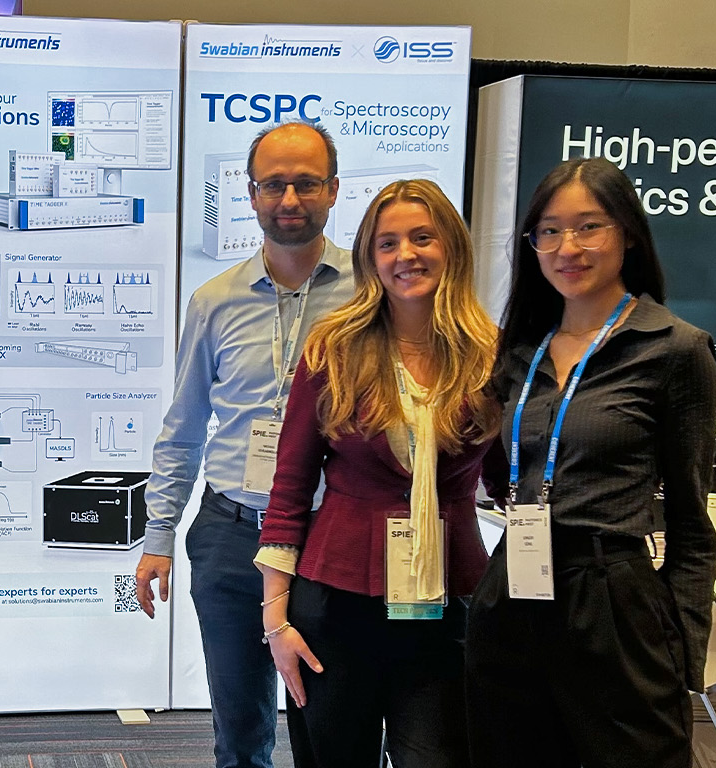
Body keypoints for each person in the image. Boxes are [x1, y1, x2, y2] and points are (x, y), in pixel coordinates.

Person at [465, 157, 716, 768]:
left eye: (589, 227)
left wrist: (680, 648)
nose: (566, 247)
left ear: (628, 232)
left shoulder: (674, 349)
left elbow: (691, 521)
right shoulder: (520, 350)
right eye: (548, 230)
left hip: (612, 597)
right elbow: (504, 477)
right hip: (513, 589)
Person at [255, 179, 504, 768]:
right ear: (369, 257)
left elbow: (507, 482)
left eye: (422, 238)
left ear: (453, 248)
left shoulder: (490, 355)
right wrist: (275, 622)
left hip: (448, 600)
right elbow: (289, 489)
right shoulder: (333, 349)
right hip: (337, 605)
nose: (405, 256)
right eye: (387, 243)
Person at [135, 121, 353, 768]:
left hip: (328, 535)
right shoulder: (215, 301)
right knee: (240, 728)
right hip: (231, 536)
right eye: (274, 185)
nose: (290, 199)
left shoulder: (368, 297)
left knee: (330, 721)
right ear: (251, 194)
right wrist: (158, 539)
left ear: (334, 190)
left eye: (306, 184)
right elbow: (184, 425)